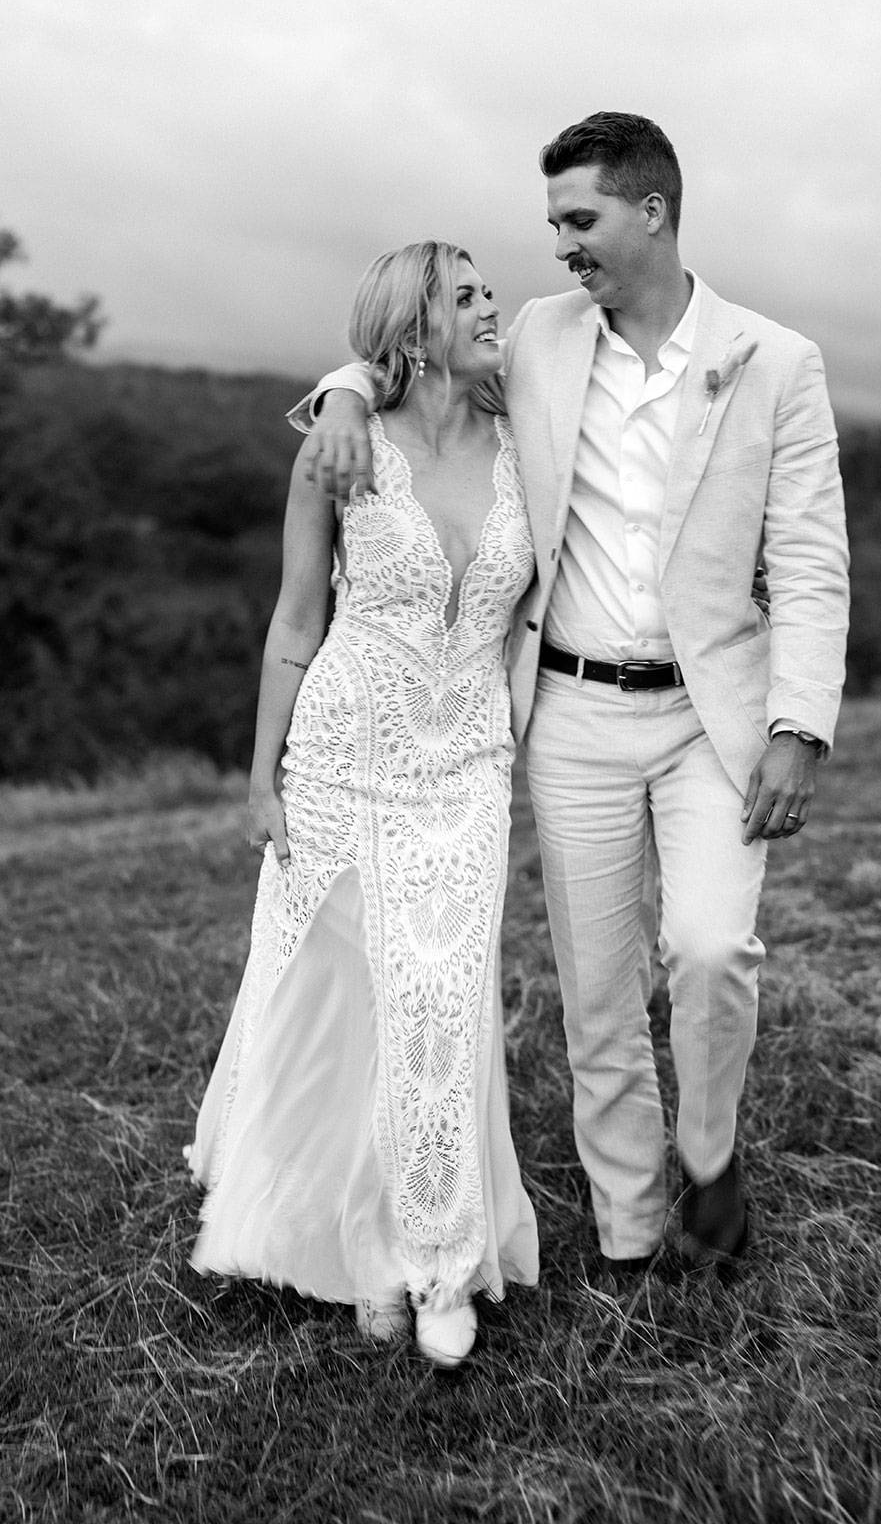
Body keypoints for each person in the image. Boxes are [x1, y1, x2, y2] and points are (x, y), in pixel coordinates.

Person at [290, 113, 850, 1283]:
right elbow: (409, 346)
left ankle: (707, 1154)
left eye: (578, 221)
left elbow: (807, 560)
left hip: (713, 717)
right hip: (570, 715)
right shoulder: (541, 338)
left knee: (705, 946)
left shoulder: (774, 359)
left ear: (652, 212)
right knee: (596, 990)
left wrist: (798, 725)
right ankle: (631, 1228)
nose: (559, 248)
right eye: (552, 224)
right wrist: (343, 390)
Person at [185, 240, 539, 1368]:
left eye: (490, 291)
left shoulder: (529, 432)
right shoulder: (340, 454)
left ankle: (434, 1257)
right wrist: (259, 779)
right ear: (408, 327)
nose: (492, 308)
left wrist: (339, 379)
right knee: (334, 991)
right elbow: (295, 623)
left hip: (465, 766)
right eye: (466, 296)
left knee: (439, 995)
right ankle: (355, 1242)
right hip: (341, 758)